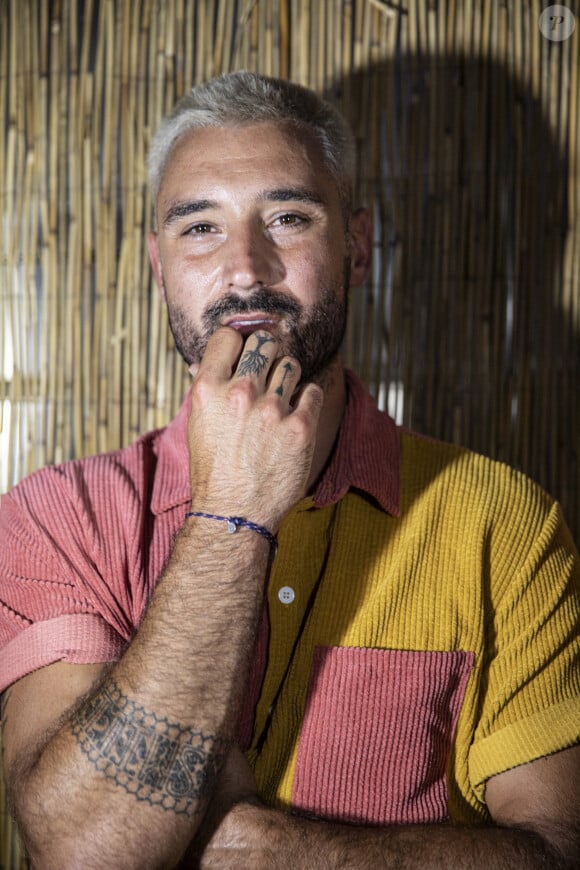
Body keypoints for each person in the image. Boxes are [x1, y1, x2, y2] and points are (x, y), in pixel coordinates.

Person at [0, 71, 578, 869]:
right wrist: (231, 515)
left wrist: (247, 840)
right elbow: (86, 852)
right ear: (157, 266)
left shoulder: (504, 524)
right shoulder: (61, 518)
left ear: (359, 246)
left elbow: (557, 852)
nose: (245, 269)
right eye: (199, 228)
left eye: (288, 217)